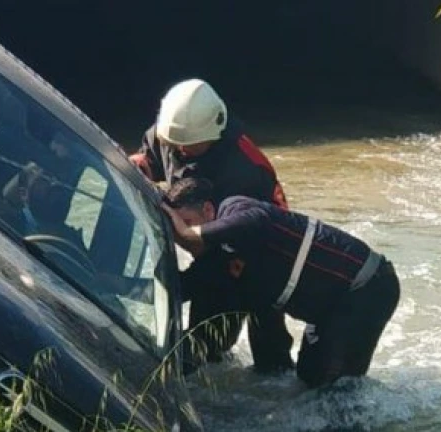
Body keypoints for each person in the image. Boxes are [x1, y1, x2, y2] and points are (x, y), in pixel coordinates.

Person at [162, 178, 400, 388]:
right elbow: (182, 287)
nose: (184, 239)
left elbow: (255, 222)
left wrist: (188, 234)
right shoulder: (217, 255)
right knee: (311, 378)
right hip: (331, 306)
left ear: (207, 209)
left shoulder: (238, 208)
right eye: (179, 232)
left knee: (336, 388)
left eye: (187, 221)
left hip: (368, 288)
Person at [128, 78, 293, 373]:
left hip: (258, 254)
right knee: (200, 343)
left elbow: (228, 257)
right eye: (172, 144)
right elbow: (151, 159)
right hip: (209, 237)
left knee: (266, 346)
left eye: (187, 148)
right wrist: (136, 167)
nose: (178, 150)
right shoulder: (173, 131)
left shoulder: (243, 173)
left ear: (213, 135)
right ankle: (204, 364)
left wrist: (180, 287)